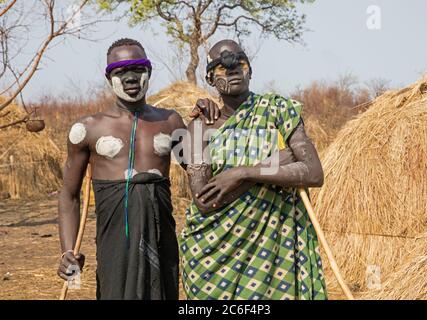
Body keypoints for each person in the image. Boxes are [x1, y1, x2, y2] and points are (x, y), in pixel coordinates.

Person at [56, 38, 220, 300]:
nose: (131, 77)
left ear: (149, 72)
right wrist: (67, 254)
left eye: (138, 69)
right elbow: (69, 195)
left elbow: (199, 172)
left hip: (160, 235)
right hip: (115, 240)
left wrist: (207, 120)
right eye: (121, 71)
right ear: (109, 78)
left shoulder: (170, 121)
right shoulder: (87, 128)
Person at [180, 39, 327, 300]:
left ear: (250, 70)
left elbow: (313, 172)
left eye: (240, 61)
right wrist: (276, 161)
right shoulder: (199, 129)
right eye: (222, 66)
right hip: (214, 253)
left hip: (276, 248)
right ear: (210, 78)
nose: (233, 68)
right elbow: (204, 201)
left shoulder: (279, 112)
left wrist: (243, 173)